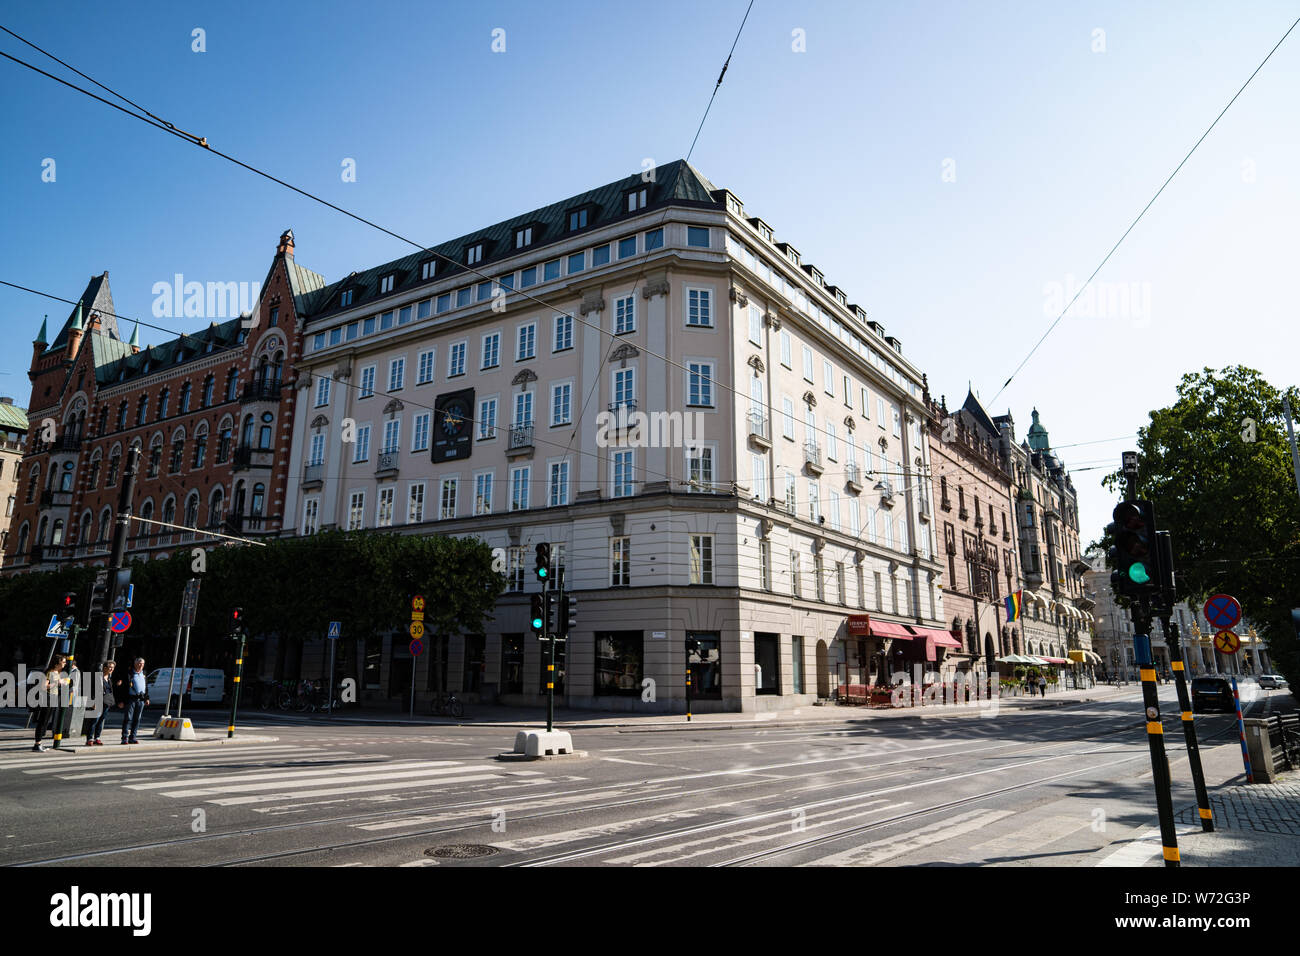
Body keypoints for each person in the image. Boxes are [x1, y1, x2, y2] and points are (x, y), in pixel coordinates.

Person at [32, 655, 67, 752]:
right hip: (47, 698)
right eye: (63, 662)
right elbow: (44, 686)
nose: (65, 664)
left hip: (53, 698)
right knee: (42, 722)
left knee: (46, 721)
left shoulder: (57, 672)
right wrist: (57, 683)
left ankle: (39, 743)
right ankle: (37, 744)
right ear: (57, 663)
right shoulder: (50, 672)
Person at [85, 661, 116, 745]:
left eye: (112, 667)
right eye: (110, 667)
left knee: (101, 720)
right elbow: (92, 690)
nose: (111, 669)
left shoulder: (109, 678)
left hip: (106, 702)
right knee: (94, 720)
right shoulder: (98, 677)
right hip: (97, 701)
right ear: (104, 668)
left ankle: (97, 738)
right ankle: (89, 739)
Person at [120, 657, 149, 745]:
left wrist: (147, 698)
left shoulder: (144, 673)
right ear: (135, 664)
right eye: (139, 663)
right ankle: (124, 738)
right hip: (131, 699)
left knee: (137, 719)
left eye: (142, 664)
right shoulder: (129, 673)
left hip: (141, 700)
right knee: (128, 719)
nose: (141, 665)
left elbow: (145, 687)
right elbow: (123, 688)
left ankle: (133, 737)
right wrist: (121, 700)